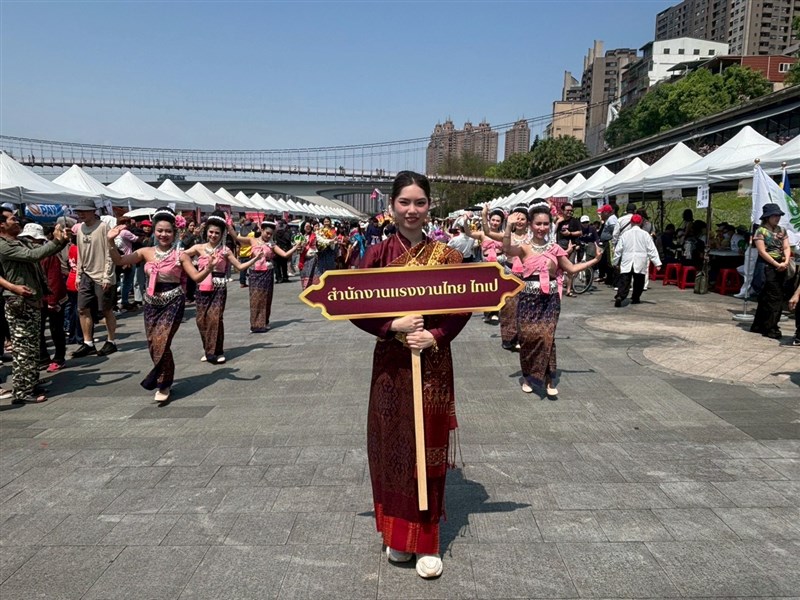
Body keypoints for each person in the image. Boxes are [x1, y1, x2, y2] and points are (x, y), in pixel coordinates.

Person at [351, 171, 470, 579]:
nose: (412, 210)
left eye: (420, 202)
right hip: (391, 366)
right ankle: (397, 536)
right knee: (393, 447)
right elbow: (354, 305)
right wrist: (391, 326)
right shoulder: (378, 255)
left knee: (428, 447)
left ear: (429, 207)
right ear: (391, 207)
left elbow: (463, 306)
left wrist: (434, 335)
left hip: (432, 363)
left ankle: (428, 540)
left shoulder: (449, 256)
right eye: (405, 202)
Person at [107, 207, 219, 403]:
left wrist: (208, 268)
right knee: (153, 343)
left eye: (168, 231)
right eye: (160, 230)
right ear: (154, 231)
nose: (163, 234)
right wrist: (110, 241)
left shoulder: (180, 255)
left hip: (173, 301)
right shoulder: (145, 252)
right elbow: (119, 260)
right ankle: (163, 377)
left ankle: (163, 383)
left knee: (162, 340)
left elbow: (195, 277)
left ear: (174, 232)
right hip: (151, 302)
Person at [503, 204, 602, 397]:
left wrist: (595, 261)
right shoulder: (524, 248)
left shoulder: (555, 248)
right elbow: (506, 247)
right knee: (528, 338)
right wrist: (509, 226)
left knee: (547, 337)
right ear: (531, 225)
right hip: (528, 301)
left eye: (546, 224)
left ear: (550, 226)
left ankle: (548, 379)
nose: (542, 228)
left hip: (550, 302)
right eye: (538, 224)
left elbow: (571, 270)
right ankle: (527, 376)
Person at [0, 211, 68, 404]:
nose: (17, 221)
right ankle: (22, 391)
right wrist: (56, 242)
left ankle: (30, 382)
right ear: (1, 225)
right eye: (12, 219)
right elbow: (33, 255)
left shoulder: (18, 241)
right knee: (23, 348)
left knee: (32, 346)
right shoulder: (4, 246)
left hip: (31, 300)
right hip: (19, 302)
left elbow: (39, 250)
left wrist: (60, 240)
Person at [183, 211, 257, 364]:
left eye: (217, 233)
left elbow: (240, 266)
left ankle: (217, 351)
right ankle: (208, 348)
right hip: (202, 285)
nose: (213, 235)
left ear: (222, 234)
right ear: (206, 232)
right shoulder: (198, 248)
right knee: (200, 319)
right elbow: (181, 256)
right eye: (211, 232)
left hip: (219, 287)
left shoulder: (225, 250)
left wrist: (255, 258)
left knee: (215, 318)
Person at [228, 221, 300, 333]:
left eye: (271, 234)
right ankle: (256, 324)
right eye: (267, 233)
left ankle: (264, 322)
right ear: (261, 230)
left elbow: (285, 255)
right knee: (255, 299)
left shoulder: (272, 244)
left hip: (267, 273)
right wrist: (228, 225)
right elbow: (237, 237)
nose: (268, 236)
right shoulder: (252, 240)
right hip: (255, 273)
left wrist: (296, 247)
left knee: (266, 299)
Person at [19, 224, 68, 372]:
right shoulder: (27, 253)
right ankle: (43, 357)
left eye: (30, 238)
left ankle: (59, 358)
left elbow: (54, 279)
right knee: (38, 330)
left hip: (53, 298)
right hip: (37, 298)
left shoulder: (49, 254)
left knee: (56, 329)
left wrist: (53, 301)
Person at [72, 204, 118, 358]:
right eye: (79, 211)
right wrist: (79, 274)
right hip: (86, 274)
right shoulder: (80, 229)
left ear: (93, 211)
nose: (81, 214)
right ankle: (88, 343)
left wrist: (107, 275)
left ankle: (111, 340)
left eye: (84, 211)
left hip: (102, 274)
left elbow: (109, 252)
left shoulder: (103, 227)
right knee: (82, 309)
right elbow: (80, 252)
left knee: (105, 309)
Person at [750, 203, 792, 339]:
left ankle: (759, 325)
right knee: (774, 298)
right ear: (767, 217)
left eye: (778, 216)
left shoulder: (782, 230)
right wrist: (775, 263)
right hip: (767, 266)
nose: (777, 218)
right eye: (774, 216)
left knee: (769, 297)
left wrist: (785, 261)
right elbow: (762, 252)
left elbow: (786, 247)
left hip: (781, 264)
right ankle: (771, 327)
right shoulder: (760, 231)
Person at [613, 214, 662, 307]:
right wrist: (657, 263)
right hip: (640, 261)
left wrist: (615, 262)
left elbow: (618, 250)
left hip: (627, 260)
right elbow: (652, 249)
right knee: (639, 281)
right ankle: (635, 298)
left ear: (631, 222)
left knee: (625, 280)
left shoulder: (625, 234)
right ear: (640, 223)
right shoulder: (645, 235)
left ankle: (620, 296)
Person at [555, 203, 581, 297]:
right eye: (567, 210)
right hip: (559, 247)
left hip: (571, 247)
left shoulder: (575, 221)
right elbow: (552, 231)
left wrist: (570, 233)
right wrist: (557, 222)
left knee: (570, 269)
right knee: (557, 269)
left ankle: (569, 290)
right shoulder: (558, 221)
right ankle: (557, 288)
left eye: (571, 210)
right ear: (562, 211)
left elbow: (580, 232)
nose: (570, 212)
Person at [597, 204, 617, 285]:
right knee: (605, 261)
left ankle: (612, 279)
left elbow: (614, 230)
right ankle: (608, 278)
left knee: (610, 261)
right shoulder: (609, 219)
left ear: (606, 212)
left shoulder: (612, 219)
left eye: (602, 213)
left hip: (609, 242)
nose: (601, 214)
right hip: (606, 242)